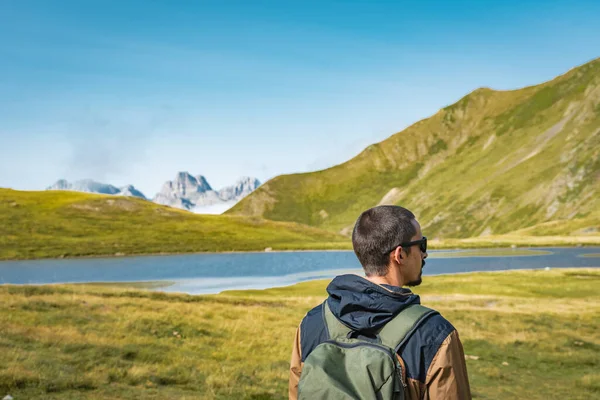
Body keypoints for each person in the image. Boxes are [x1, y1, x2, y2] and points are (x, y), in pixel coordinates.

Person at [289, 205, 471, 399]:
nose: (424, 254)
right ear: (400, 254)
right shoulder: (435, 334)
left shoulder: (310, 324)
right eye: (421, 245)